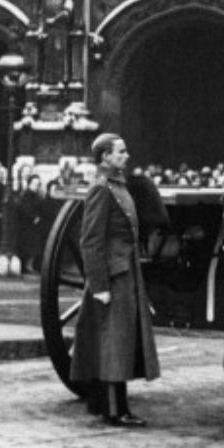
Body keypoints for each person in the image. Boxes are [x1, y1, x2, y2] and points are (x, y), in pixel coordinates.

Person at [73, 134, 160, 428]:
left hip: (125, 271)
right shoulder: (102, 189)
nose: (126, 155)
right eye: (120, 152)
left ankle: (116, 405)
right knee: (114, 343)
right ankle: (113, 409)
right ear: (105, 158)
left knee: (120, 342)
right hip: (112, 276)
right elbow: (91, 241)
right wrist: (99, 286)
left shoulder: (117, 186)